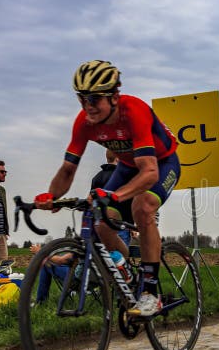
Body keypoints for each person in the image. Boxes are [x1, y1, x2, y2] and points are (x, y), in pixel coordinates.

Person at [35, 60, 180, 317]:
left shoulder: (134, 111)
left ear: (114, 97)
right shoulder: (84, 122)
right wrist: (51, 196)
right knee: (101, 221)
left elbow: (149, 172)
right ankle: (127, 273)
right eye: (82, 99)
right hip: (126, 166)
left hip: (161, 163)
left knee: (142, 207)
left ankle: (150, 290)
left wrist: (114, 195)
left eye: (94, 99)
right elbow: (68, 169)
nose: (87, 106)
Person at [91, 150, 133, 246]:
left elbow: (93, 200)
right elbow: (127, 202)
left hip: (100, 223)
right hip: (120, 224)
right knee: (120, 255)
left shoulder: (97, 177)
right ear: (118, 159)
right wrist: (131, 224)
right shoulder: (122, 177)